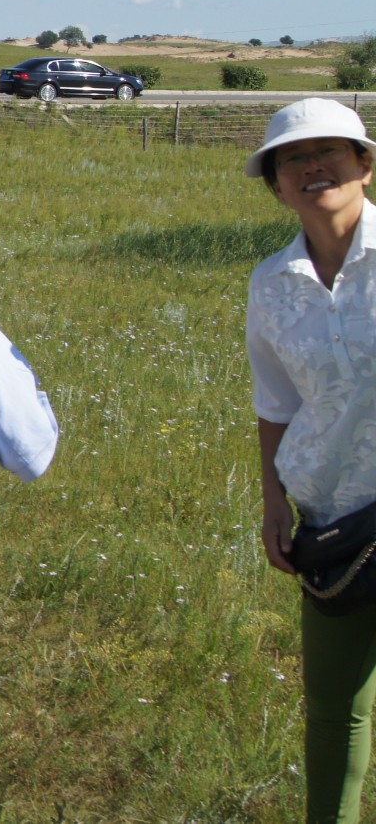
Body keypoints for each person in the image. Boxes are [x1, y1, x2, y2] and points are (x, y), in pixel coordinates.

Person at [244, 98, 376, 822]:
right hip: (333, 521)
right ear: (277, 185)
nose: (312, 166)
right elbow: (277, 403)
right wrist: (274, 502)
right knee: (335, 709)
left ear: (364, 164)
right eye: (293, 158)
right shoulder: (270, 283)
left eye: (330, 150)